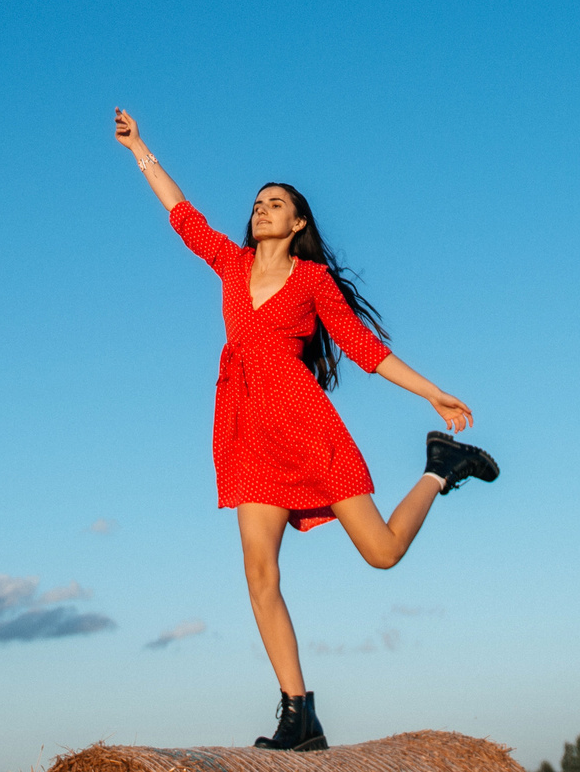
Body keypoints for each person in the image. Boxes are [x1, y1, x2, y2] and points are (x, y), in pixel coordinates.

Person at [113, 107, 499, 753]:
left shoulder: (312, 279)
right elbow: (183, 216)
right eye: (258, 203)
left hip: (304, 422)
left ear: (298, 224)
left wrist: (433, 392)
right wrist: (139, 149)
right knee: (259, 573)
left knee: (380, 553)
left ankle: (441, 467)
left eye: (276, 204)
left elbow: (362, 347)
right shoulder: (231, 264)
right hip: (244, 428)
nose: (261, 209)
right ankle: (299, 712)